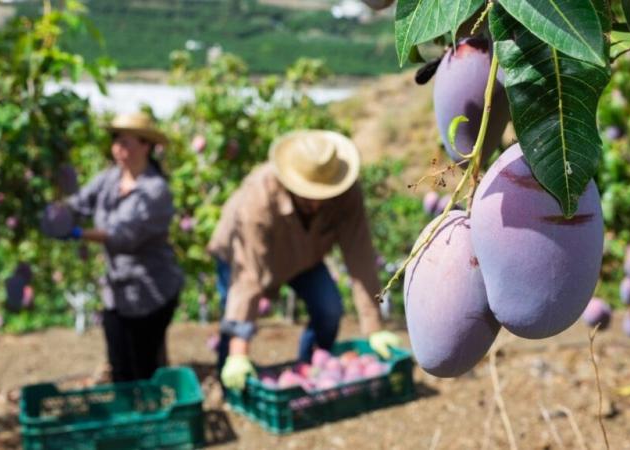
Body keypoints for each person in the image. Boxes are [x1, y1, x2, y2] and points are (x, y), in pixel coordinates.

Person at [208, 129, 401, 390]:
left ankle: (311, 373)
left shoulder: (346, 192)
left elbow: (360, 255)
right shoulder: (259, 197)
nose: (318, 201)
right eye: (310, 193)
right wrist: (239, 354)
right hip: (242, 258)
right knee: (233, 324)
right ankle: (229, 384)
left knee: (329, 309)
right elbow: (248, 275)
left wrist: (374, 325)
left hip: (304, 256)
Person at [61, 111, 184, 382]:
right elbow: (80, 202)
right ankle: (130, 415)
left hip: (151, 290)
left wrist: (77, 232)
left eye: (126, 142)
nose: (118, 148)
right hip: (118, 290)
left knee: (144, 365)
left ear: (146, 146)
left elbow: (123, 236)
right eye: (116, 140)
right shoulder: (109, 179)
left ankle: (149, 418)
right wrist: (60, 213)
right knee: (119, 363)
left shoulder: (155, 191)